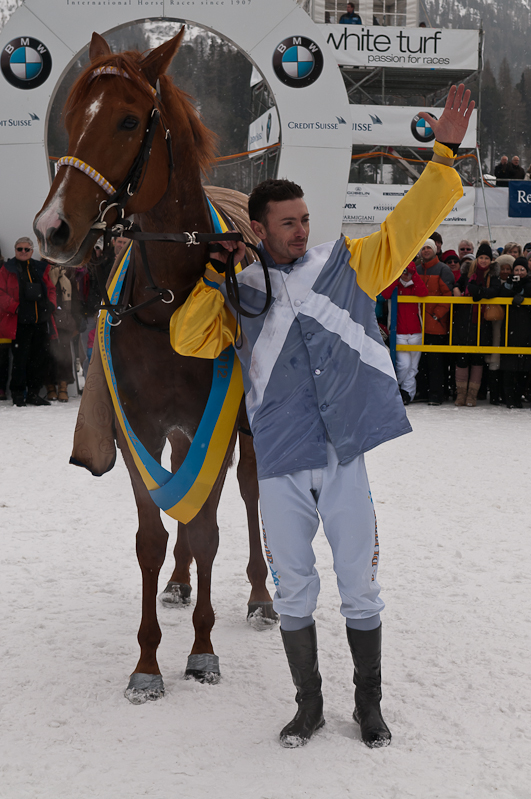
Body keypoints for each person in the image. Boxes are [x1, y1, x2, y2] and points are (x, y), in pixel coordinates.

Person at [171, 85, 474, 749]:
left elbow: (406, 226)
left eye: (304, 217)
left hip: (343, 459)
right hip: (279, 463)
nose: (301, 228)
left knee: (360, 588)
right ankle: (307, 706)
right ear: (258, 228)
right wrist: (211, 276)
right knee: (294, 589)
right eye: (287, 222)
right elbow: (189, 339)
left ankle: (368, 706)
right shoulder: (238, 290)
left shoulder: (346, 263)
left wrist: (443, 152)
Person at [0, 237, 56, 406]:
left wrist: (51, 305)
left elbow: (51, 288)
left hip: (40, 321)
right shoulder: (6, 269)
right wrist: (15, 307)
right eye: (19, 249)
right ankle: (18, 393)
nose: (23, 252)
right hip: (19, 322)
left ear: (32, 251)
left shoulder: (40, 268)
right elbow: (1, 293)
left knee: (39, 359)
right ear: (15, 250)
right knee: (20, 359)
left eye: (26, 249)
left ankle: (33, 393)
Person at [452, 242, 501, 406]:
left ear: (491, 260)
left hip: (482, 322)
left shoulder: (493, 275)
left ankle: (472, 395)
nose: (484, 261)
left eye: (487, 258)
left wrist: (479, 292)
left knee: (477, 359)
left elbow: (495, 291)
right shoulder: (467, 272)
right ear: (477, 258)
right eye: (481, 257)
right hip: (464, 321)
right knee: (462, 358)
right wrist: (457, 290)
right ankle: (461, 394)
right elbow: (458, 285)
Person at [381, 262, 428, 404]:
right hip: (399, 332)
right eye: (405, 272)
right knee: (404, 365)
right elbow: (385, 294)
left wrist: (415, 274)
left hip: (416, 332)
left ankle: (408, 394)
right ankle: (396, 388)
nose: (406, 275)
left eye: (409, 272)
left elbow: (424, 293)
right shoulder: (396, 286)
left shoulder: (415, 285)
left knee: (413, 368)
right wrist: (397, 275)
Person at [414, 238, 455, 405]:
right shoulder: (416, 270)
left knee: (435, 362)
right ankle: (423, 391)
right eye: (423, 248)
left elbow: (448, 296)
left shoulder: (443, 270)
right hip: (418, 324)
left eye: (428, 248)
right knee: (420, 362)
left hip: (436, 324)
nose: (425, 251)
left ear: (435, 250)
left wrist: (436, 315)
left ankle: (437, 394)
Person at [499, 257, 531, 407]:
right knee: (509, 364)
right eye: (516, 270)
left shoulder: (529, 284)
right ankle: (509, 397)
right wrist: (510, 286)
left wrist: (523, 299)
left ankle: (518, 395)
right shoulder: (508, 284)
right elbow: (501, 295)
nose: (519, 272)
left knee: (524, 365)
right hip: (510, 327)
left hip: (526, 328)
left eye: (522, 270)